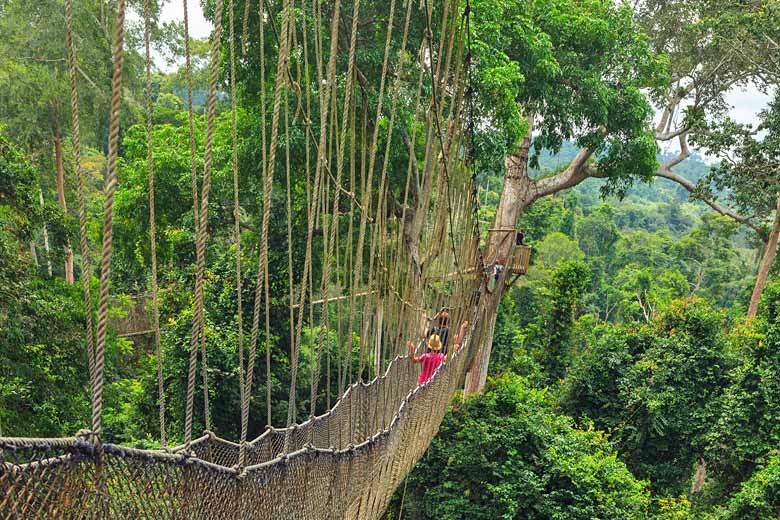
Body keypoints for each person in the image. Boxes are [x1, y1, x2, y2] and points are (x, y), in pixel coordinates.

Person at [408, 320, 469, 384]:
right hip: (433, 383)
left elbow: (414, 360)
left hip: (422, 382)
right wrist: (453, 350)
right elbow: (447, 357)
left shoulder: (425, 356)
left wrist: (412, 349)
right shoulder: (441, 356)